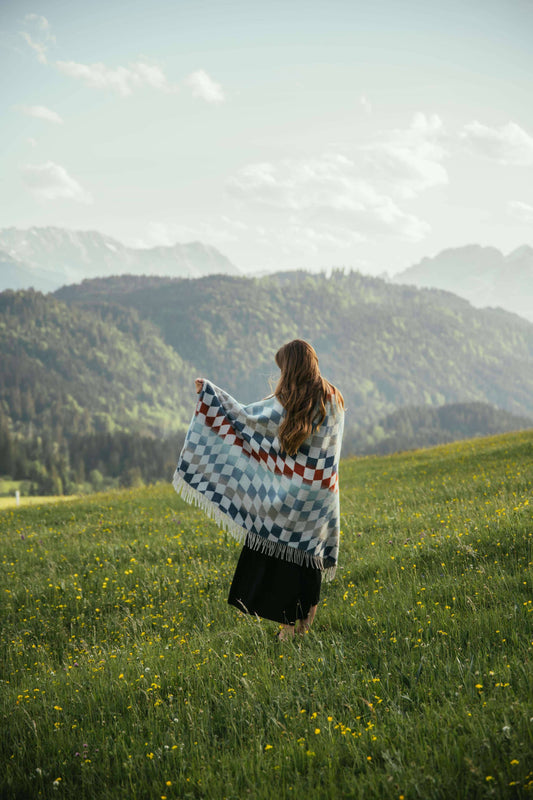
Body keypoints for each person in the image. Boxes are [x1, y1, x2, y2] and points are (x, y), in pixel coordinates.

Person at [173, 339, 344, 640]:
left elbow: (246, 419)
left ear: (291, 368)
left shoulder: (285, 402)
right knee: (309, 563)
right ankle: (302, 631)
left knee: (284, 562)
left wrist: (210, 394)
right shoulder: (333, 398)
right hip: (320, 497)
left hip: (290, 498)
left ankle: (287, 633)